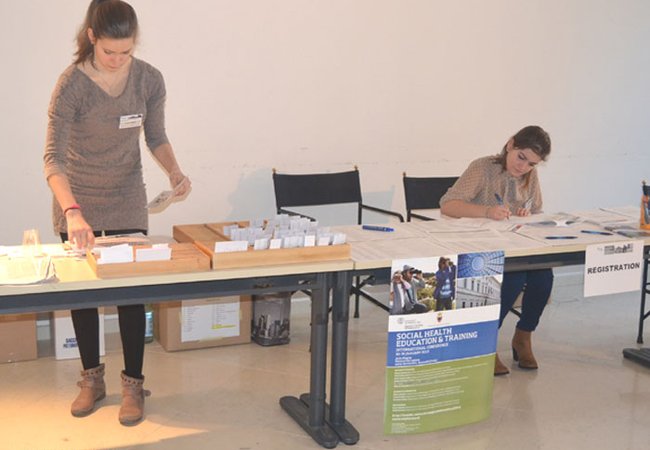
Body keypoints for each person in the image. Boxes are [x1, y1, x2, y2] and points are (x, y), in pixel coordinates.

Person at [43, 0, 191, 425]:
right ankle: (91, 380)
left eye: (126, 51)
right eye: (110, 51)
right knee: (83, 295)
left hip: (127, 194)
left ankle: (133, 385)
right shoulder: (71, 84)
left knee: (130, 294)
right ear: (92, 37)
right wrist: (73, 211)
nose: (118, 59)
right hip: (78, 199)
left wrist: (174, 170)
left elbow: (156, 135)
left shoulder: (148, 79)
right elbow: (53, 159)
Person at [440, 125, 553, 376]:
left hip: (513, 244)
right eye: (521, 157)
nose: (523, 167)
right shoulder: (483, 167)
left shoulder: (529, 175)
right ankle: (485, 343)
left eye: (532, 164)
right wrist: (487, 211)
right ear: (510, 144)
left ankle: (523, 336)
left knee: (543, 275)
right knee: (514, 277)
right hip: (481, 247)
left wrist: (526, 213)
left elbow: (536, 210)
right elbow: (447, 205)